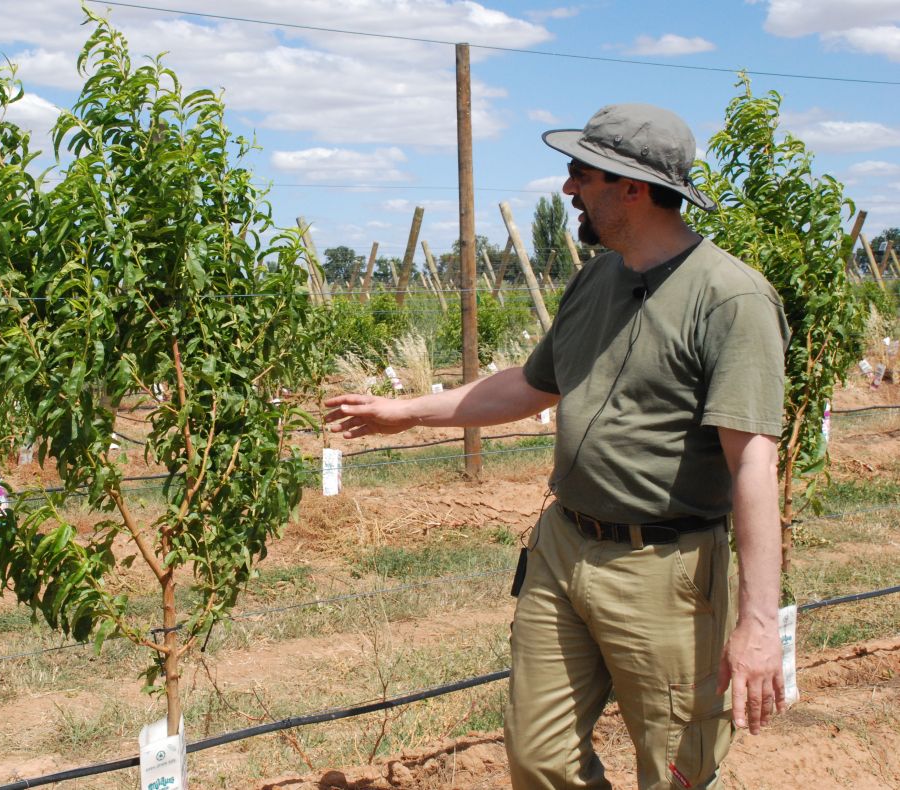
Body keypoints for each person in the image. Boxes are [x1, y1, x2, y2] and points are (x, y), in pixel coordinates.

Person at [325, 103, 790, 789]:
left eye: (580, 173)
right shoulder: (596, 279)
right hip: (563, 546)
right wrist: (408, 412)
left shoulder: (730, 298)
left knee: (675, 772)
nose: (569, 188)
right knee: (539, 757)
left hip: (663, 569)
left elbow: (752, 461)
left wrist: (756, 623)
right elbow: (533, 384)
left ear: (631, 187)